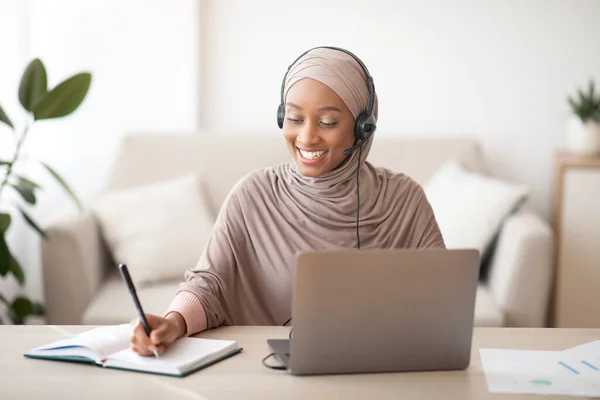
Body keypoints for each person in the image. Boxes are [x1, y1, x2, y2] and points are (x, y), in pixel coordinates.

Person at [129, 47, 445, 356]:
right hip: (271, 374)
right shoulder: (253, 195)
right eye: (294, 118)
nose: (306, 138)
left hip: (385, 370)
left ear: (363, 129)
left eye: (327, 123)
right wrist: (173, 322)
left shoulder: (405, 201)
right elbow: (209, 284)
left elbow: (443, 301)